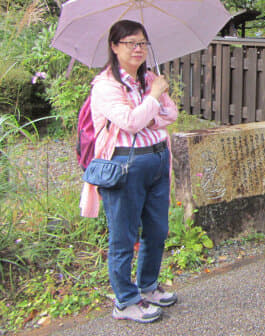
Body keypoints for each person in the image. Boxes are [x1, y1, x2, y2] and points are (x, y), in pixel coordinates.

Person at [79, 20, 178, 323]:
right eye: (130, 43)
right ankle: (125, 300)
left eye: (142, 43)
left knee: (157, 231)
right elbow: (130, 121)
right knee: (123, 237)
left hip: (158, 160)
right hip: (124, 165)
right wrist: (152, 101)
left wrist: (150, 110)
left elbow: (171, 113)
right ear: (114, 47)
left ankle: (147, 286)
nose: (138, 49)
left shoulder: (149, 79)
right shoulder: (105, 86)